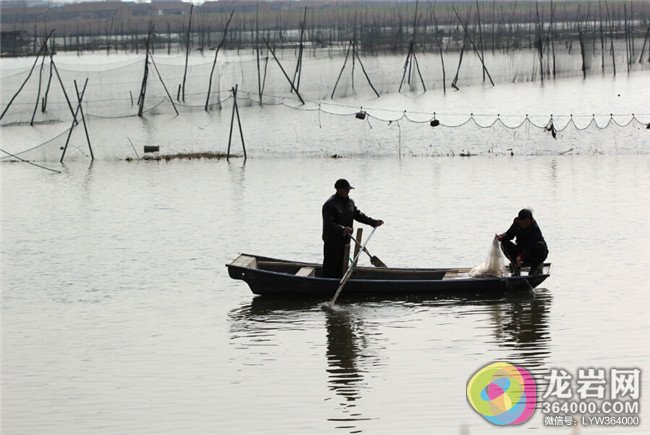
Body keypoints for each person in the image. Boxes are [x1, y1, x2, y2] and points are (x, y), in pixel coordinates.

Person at [322, 179, 384, 278]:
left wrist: (373, 222)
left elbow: (358, 215)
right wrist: (342, 229)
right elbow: (330, 224)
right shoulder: (330, 205)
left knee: (342, 268)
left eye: (349, 189)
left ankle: (339, 282)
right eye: (346, 189)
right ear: (338, 189)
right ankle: (326, 286)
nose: (348, 191)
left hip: (346, 241)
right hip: (332, 242)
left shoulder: (350, 202)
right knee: (330, 268)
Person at [496, 209, 548, 276]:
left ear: (531, 220)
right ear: (518, 220)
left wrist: (521, 256)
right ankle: (516, 266)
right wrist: (501, 236)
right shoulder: (516, 224)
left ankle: (535, 268)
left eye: (526, 222)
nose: (524, 224)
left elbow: (530, 246)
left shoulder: (535, 229)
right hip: (521, 251)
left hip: (534, 253)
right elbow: (509, 234)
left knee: (540, 246)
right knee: (504, 243)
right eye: (522, 222)